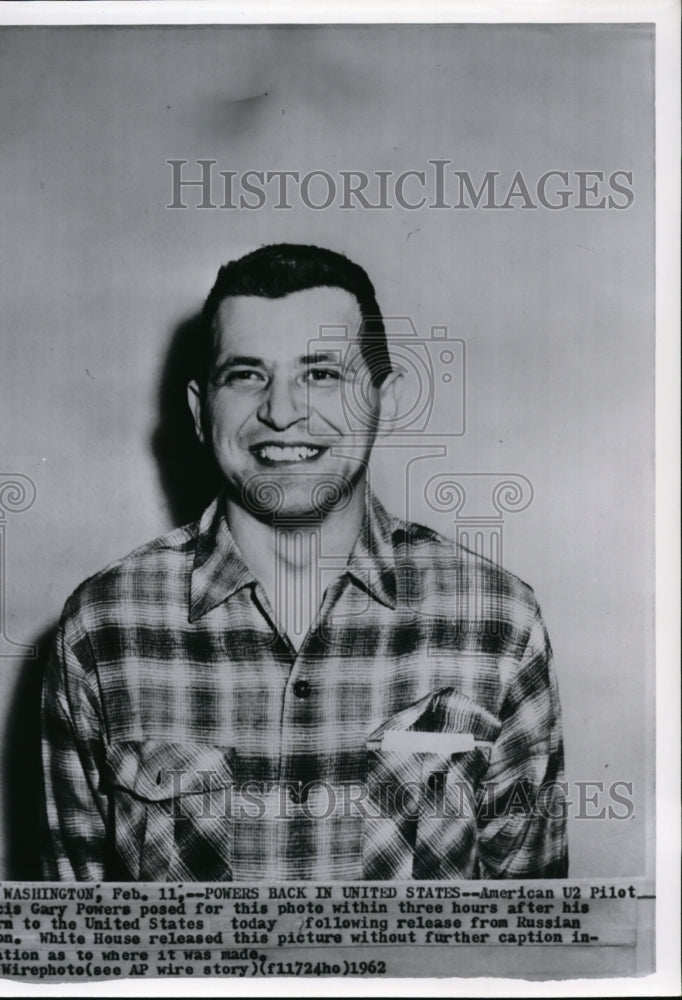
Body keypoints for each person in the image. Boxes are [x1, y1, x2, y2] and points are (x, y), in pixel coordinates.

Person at [42, 242, 568, 881]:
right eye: (246, 374)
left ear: (385, 397)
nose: (284, 411)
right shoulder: (103, 630)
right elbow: (74, 942)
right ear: (199, 412)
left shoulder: (498, 625)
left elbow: (531, 946)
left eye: (322, 373)